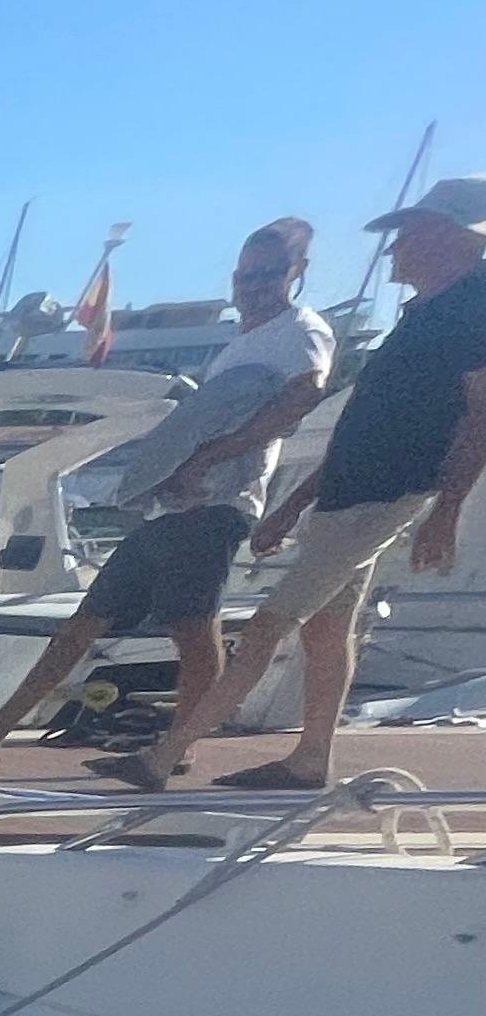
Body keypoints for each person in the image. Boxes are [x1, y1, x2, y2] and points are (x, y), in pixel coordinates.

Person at [100, 177, 486, 790]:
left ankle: (163, 755)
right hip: (349, 494)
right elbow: (364, 422)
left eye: (406, 235)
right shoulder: (422, 316)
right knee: (326, 629)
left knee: (266, 625)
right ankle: (311, 760)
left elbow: (479, 414)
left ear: (449, 237)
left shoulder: (473, 306)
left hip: (386, 495)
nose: (393, 251)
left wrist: (447, 510)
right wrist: (294, 506)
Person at [0, 222, 332, 769]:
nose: (253, 285)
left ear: (297, 272)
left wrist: (209, 458)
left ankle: (174, 754)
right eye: (245, 274)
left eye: (269, 273)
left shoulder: (301, 330)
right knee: (82, 625)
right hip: (172, 507)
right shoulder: (239, 345)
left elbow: (303, 397)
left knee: (192, 631)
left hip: (218, 507)